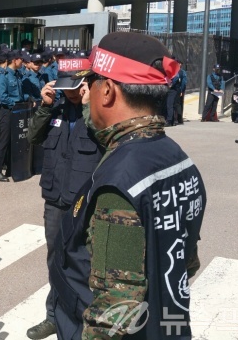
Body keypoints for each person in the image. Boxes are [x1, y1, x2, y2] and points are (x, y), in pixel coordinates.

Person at [51, 32, 206, 339]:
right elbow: (187, 262)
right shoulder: (178, 158)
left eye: (91, 81)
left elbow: (115, 311)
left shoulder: (120, 180)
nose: (86, 91)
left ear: (107, 90)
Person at [25, 73, 103, 340]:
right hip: (55, 198)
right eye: (64, 89)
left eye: (74, 88)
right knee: (55, 259)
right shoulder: (55, 108)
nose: (69, 93)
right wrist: (44, 105)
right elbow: (33, 137)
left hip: (84, 201)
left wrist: (86, 104)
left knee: (84, 262)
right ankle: (53, 316)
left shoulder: (98, 111)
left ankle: (84, 320)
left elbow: (106, 140)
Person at [0, 50, 24, 182]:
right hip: (8, 111)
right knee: (4, 140)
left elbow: (20, 94)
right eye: (21, 59)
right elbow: (3, 97)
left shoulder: (17, 75)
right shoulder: (3, 76)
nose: (22, 61)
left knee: (15, 140)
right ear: (15, 60)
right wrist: (16, 104)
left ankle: (12, 168)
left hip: (17, 110)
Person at [166, 59, 186, 126]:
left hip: (175, 89)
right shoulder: (179, 71)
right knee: (175, 105)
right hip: (177, 89)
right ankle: (175, 120)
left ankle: (173, 120)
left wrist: (181, 90)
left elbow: (183, 82)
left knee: (172, 105)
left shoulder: (178, 72)